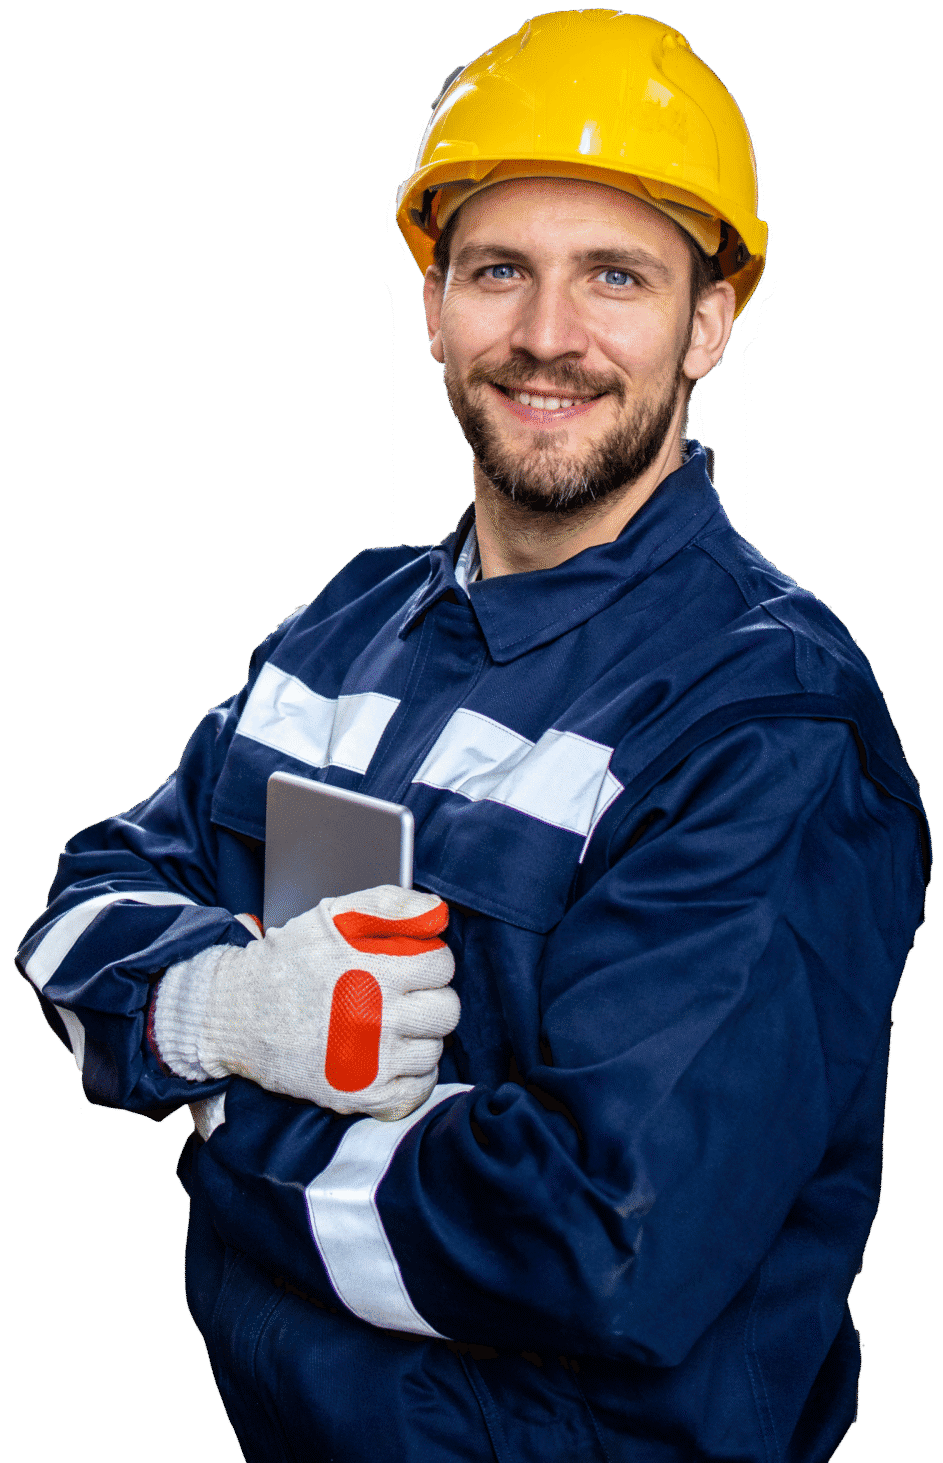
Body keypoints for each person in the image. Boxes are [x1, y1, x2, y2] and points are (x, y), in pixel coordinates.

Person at [15, 11, 929, 1462]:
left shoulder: (769, 719)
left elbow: (595, 1244)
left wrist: (218, 1121)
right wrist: (224, 1012)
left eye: (614, 277)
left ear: (709, 319)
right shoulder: (348, 626)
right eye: (499, 270)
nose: (547, 336)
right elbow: (78, 916)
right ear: (433, 302)